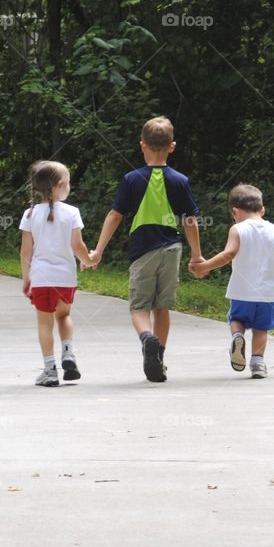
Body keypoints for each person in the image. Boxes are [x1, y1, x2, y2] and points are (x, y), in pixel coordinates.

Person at [86, 116, 203, 382]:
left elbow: (115, 215)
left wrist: (98, 250)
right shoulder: (180, 180)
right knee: (162, 308)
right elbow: (190, 220)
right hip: (172, 249)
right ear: (172, 147)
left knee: (139, 308)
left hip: (142, 252)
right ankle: (158, 358)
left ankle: (146, 338)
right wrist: (197, 256)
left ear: (142, 145)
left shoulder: (132, 179)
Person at [190, 184, 274, 378]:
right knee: (261, 328)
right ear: (262, 209)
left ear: (235, 211)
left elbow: (229, 254)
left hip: (242, 291)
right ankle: (258, 363)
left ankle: (237, 337)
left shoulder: (238, 229)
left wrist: (205, 267)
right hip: (267, 293)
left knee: (237, 320)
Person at [20, 161, 94, 387]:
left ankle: (50, 369)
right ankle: (68, 353)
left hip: (41, 279)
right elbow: (77, 245)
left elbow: (25, 251)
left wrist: (26, 279)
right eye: (68, 183)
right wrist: (88, 260)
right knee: (64, 316)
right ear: (60, 185)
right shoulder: (72, 212)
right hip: (65, 278)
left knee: (45, 323)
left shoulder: (30, 214)